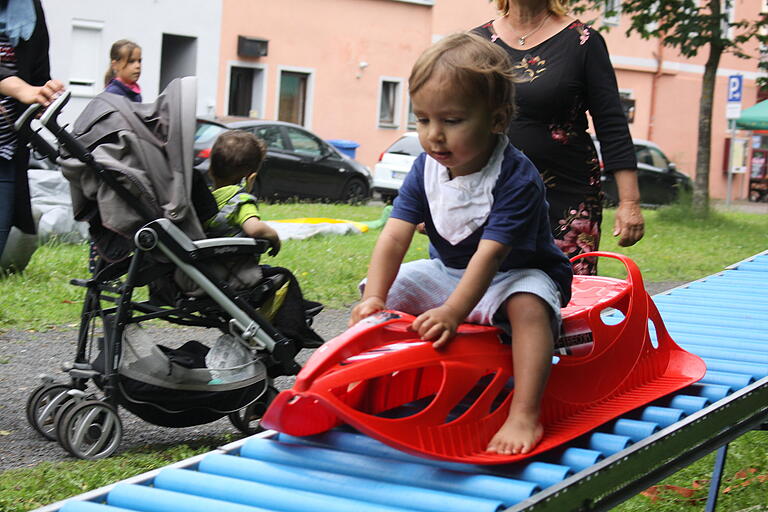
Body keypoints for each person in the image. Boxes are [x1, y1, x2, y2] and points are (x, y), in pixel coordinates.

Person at [349, 33, 573, 455]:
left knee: (528, 308)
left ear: (496, 119)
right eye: (423, 120)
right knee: (380, 299)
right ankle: (371, 386)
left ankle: (525, 411)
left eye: (451, 121)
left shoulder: (515, 176)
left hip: (514, 275)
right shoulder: (424, 168)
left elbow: (492, 254)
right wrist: (376, 297)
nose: (434, 136)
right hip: (450, 273)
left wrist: (454, 311)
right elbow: (395, 234)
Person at [473, 0, 644, 275]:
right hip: (492, 191)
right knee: (488, 290)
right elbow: (454, 119)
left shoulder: (583, 42)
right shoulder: (476, 44)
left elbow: (612, 124)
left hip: (567, 198)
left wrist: (630, 202)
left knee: (566, 294)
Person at [0, 0, 64, 263]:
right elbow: (23, 86)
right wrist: (22, 90)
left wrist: (45, 94)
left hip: (6, 150)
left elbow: (38, 74)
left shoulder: (30, 8)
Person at [205, 130, 280, 256]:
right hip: (235, 267)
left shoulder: (204, 199)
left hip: (204, 263)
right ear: (251, 179)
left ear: (210, 170)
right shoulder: (241, 201)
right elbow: (255, 229)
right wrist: (275, 238)